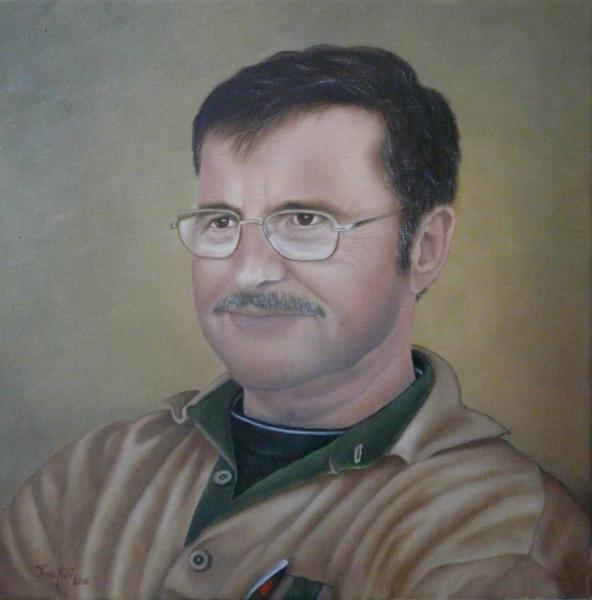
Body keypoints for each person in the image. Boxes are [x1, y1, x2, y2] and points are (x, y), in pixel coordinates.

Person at [0, 45, 588, 600]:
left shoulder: (494, 535)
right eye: (221, 221)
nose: (250, 271)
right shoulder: (90, 478)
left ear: (425, 247)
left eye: (305, 220)